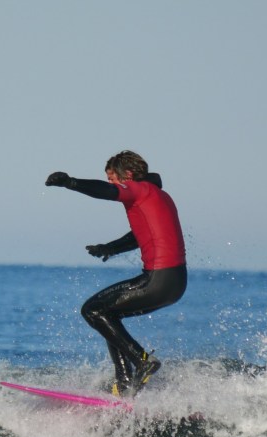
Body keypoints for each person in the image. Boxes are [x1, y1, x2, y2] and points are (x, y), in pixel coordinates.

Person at [45, 150, 187, 397]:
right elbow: (139, 235)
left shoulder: (138, 189)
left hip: (157, 280)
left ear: (127, 175)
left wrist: (71, 182)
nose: (111, 183)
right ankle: (125, 385)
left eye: (113, 178)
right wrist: (109, 248)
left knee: (92, 310)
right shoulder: (158, 195)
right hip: (175, 283)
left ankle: (142, 361)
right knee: (108, 314)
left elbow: (107, 191)